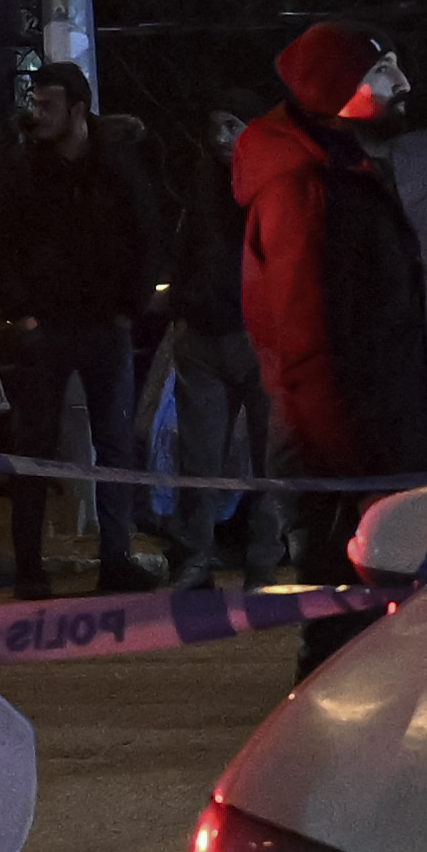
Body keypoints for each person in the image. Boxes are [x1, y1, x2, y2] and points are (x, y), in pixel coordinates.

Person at [237, 22, 427, 663]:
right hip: (342, 463)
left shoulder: (346, 171)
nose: (402, 84)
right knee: (340, 642)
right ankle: (318, 759)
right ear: (333, 94)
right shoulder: (306, 189)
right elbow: (308, 347)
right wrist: (356, 479)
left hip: (369, 453)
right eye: (382, 73)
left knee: (374, 639)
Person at [0, 61, 167, 595]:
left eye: (48, 105)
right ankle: (29, 567)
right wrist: (23, 311)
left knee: (113, 443)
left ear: (78, 109)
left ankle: (115, 559)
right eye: (35, 103)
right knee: (34, 445)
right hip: (47, 326)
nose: (37, 113)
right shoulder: (23, 168)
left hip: (103, 324)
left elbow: (147, 234)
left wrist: (128, 306)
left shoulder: (118, 165)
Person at [164, 87, 287, 589]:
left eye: (231, 125)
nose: (218, 137)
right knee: (199, 459)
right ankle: (196, 558)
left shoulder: (276, 182)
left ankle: (263, 559)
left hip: (262, 338)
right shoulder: (201, 184)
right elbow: (185, 248)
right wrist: (185, 304)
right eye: (214, 126)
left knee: (271, 459)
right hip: (207, 336)